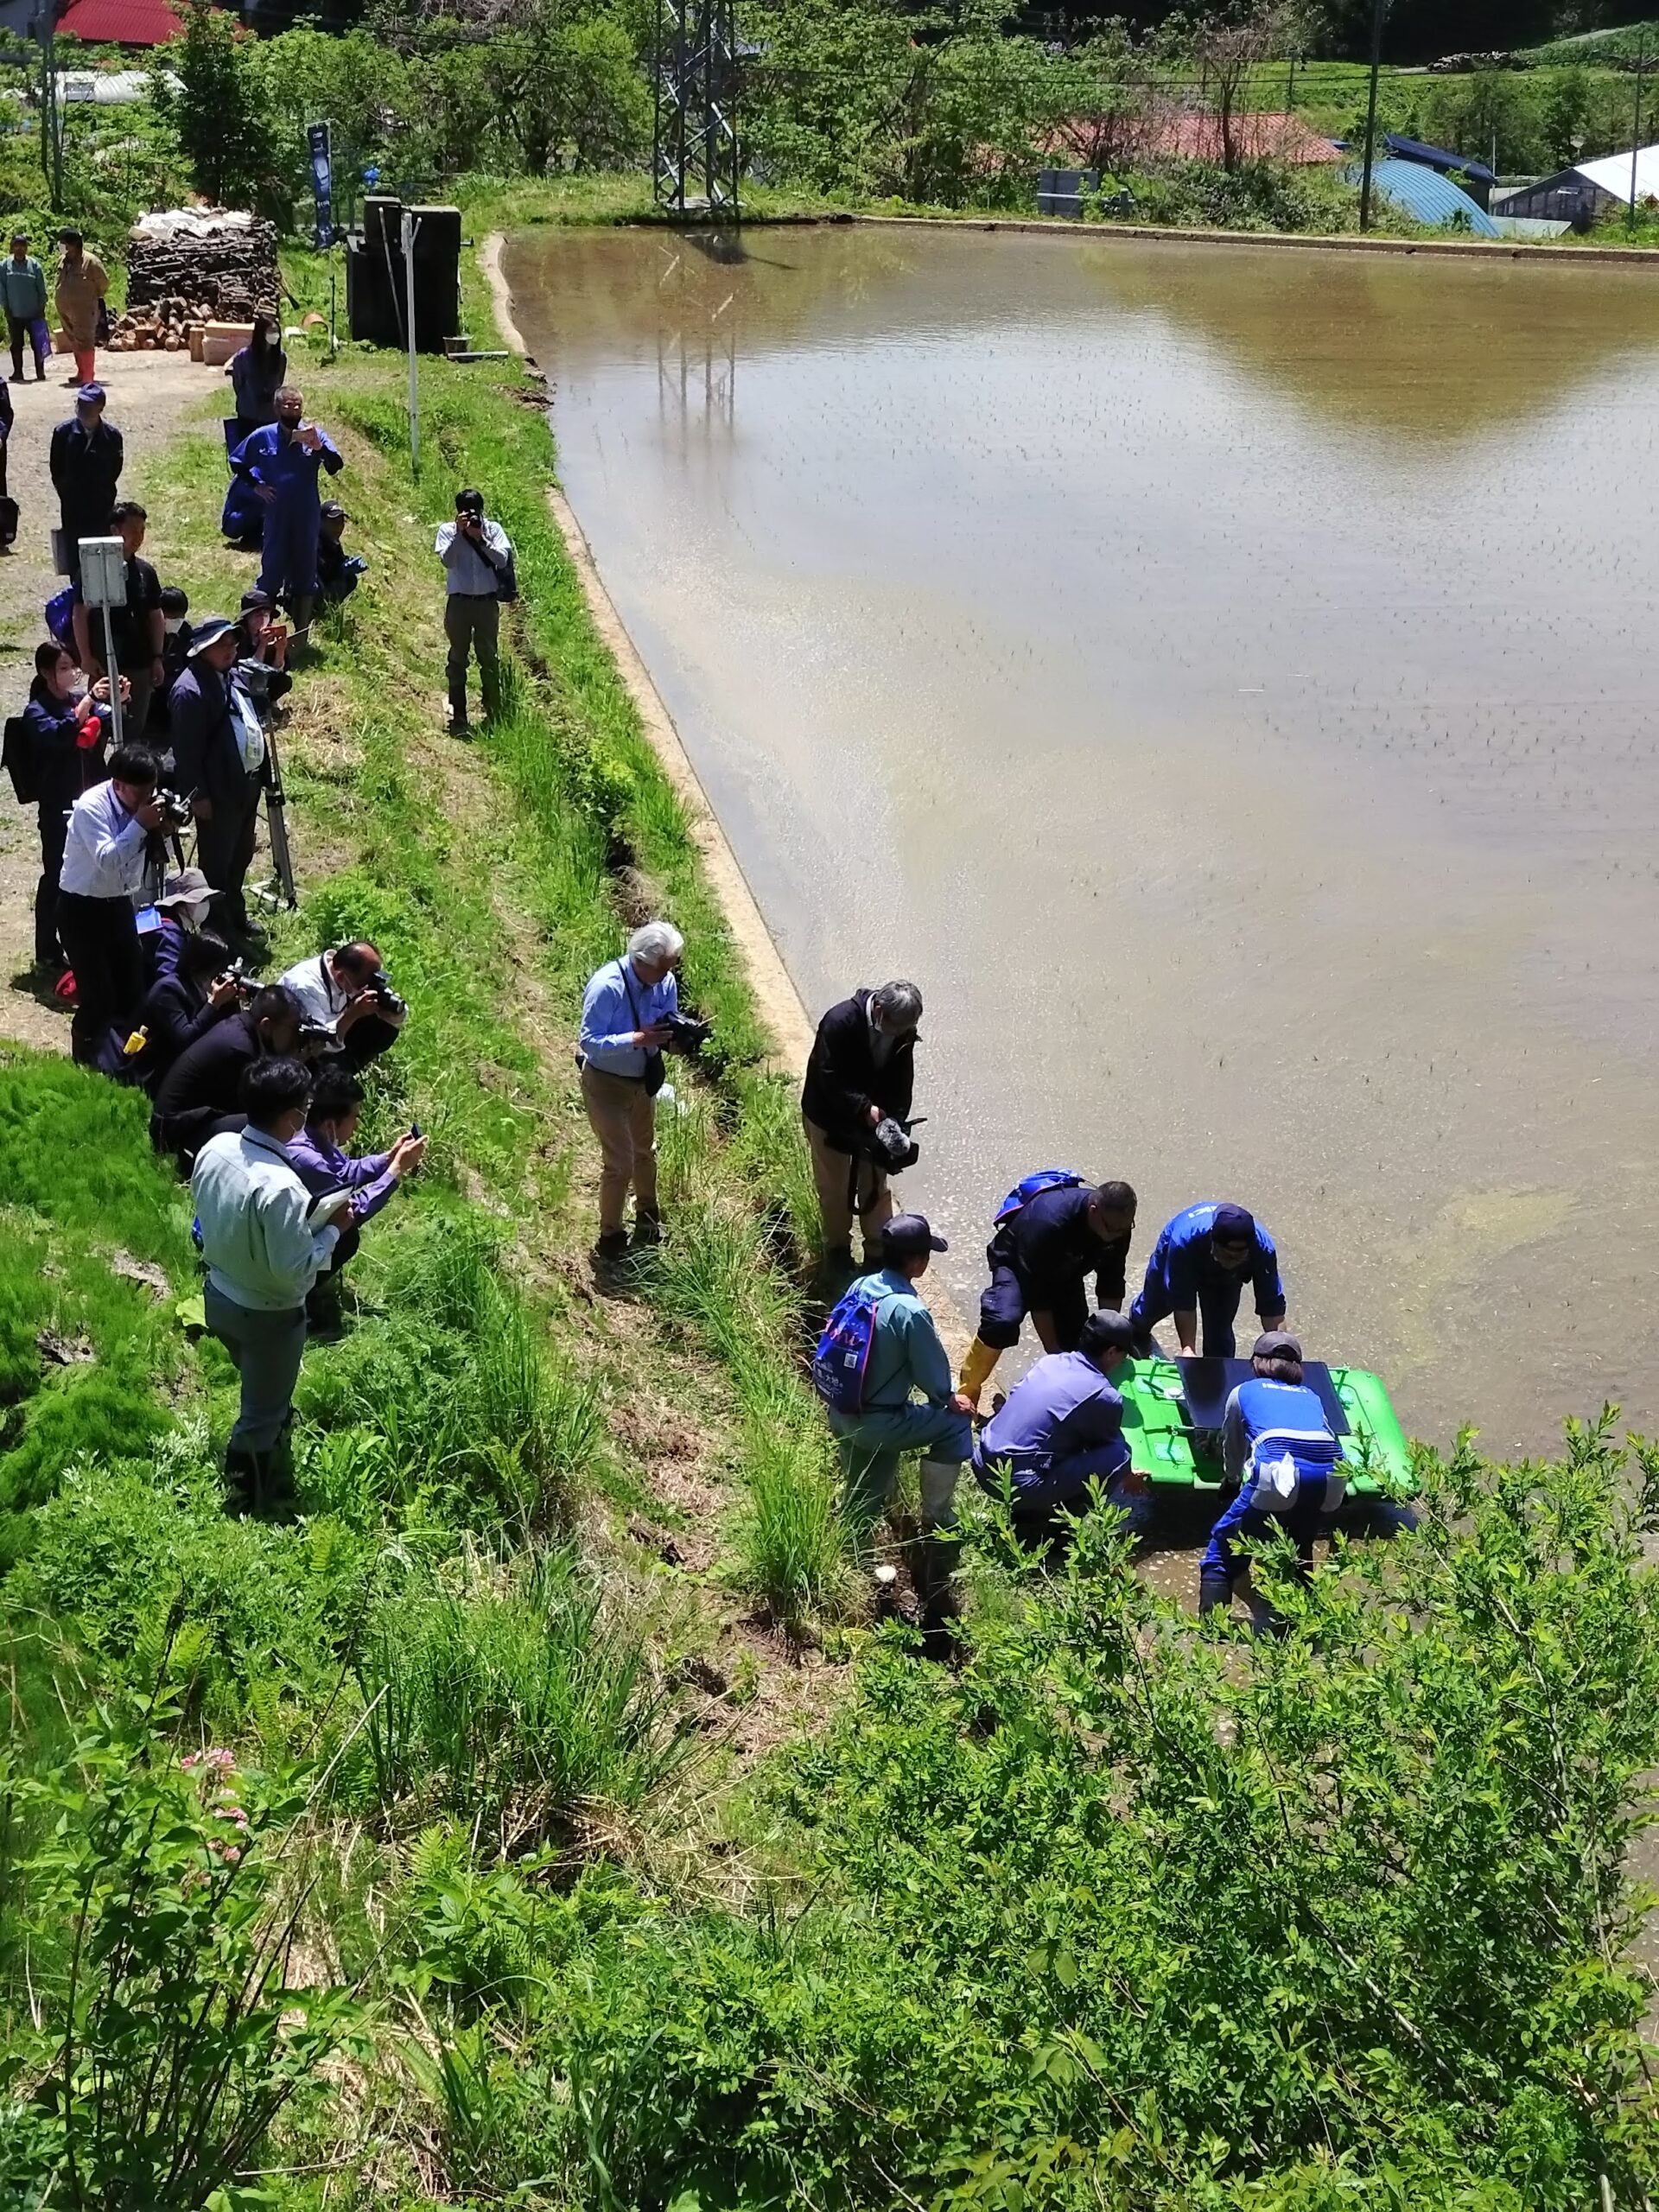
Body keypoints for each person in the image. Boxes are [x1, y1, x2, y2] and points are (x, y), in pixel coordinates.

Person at [192, 1056, 351, 1512]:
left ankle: (267, 1440)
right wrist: (334, 1229)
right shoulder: (282, 1187)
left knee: (259, 1387)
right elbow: (295, 1270)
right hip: (269, 1316)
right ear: (293, 1117)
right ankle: (248, 1497)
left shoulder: (216, 1147)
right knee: (260, 1416)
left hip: (218, 1296)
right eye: (305, 1109)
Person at [815, 1211, 972, 1550]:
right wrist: (948, 1398)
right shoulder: (910, 1311)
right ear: (916, 1262)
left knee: (864, 1491)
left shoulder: (861, 1285)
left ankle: (852, 1545)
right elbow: (932, 1376)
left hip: (841, 1408)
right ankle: (937, 1519)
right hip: (878, 1423)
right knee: (956, 1424)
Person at [1199, 1332, 1344, 1630]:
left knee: (1223, 1549)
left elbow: (1234, 1444)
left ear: (1257, 1362)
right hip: (1331, 1480)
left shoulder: (1244, 1392)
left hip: (1278, 1476)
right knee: (1299, 1547)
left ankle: (1214, 1635)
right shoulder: (1312, 1396)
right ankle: (1307, 1628)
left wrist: (1231, 1480)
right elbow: (1328, 1438)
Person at [957, 1174, 1139, 1409]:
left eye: (1125, 1229)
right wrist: (1054, 1354)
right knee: (1002, 1321)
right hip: (1017, 1262)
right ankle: (966, 1396)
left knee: (1083, 1346)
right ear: (1094, 1211)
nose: (1118, 1236)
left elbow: (1111, 1281)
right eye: (1113, 1230)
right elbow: (1039, 1299)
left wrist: (1110, 1334)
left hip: (1066, 1269)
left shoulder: (1117, 1226)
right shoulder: (1050, 1222)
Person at [972, 1308, 1147, 1529]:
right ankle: (1060, 1526)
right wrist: (1127, 1474)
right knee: (1119, 1454)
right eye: (1124, 1355)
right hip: (1013, 1484)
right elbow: (1107, 1448)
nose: (1123, 1361)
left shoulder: (1051, 1362)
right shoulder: (1103, 1394)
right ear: (1111, 1352)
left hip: (982, 1462)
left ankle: (1034, 1507)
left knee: (1063, 1435)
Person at [283, 1061, 426, 1329]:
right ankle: (298, 1296)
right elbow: (352, 1211)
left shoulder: (314, 1139)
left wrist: (388, 1159)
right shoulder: (309, 1160)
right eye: (355, 1118)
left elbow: (345, 1172)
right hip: (284, 1249)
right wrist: (396, 1171)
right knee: (346, 1236)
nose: (357, 1125)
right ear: (331, 1123)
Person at [801, 979, 923, 1273]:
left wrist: (895, 1119)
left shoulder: (903, 1030)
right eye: (896, 1028)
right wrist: (863, 1108)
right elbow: (828, 1076)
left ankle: (879, 1254)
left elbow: (902, 1080)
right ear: (879, 1010)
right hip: (829, 1116)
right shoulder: (839, 1021)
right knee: (835, 1188)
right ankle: (838, 1252)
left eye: (905, 1029)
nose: (900, 1034)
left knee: (876, 1187)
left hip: (874, 1120)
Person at [578, 919, 683, 1260]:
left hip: (643, 1084)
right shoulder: (607, 987)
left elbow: (666, 1025)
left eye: (671, 967)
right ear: (641, 960)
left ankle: (647, 1216)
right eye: (662, 968)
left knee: (645, 1152)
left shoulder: (665, 982)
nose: (667, 976)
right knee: (620, 1164)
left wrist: (679, 1039)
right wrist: (635, 1040)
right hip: (606, 1084)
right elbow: (589, 1042)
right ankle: (610, 1234)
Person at [55, 740, 162, 1063]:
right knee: (98, 997)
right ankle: (84, 1056)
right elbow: (108, 859)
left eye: (151, 790)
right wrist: (140, 824)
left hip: (118, 905)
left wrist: (160, 827)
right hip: (81, 909)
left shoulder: (142, 805)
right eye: (139, 792)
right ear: (118, 785)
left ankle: (121, 1059)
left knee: (133, 989)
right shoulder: (91, 808)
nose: (146, 799)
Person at [168, 614, 268, 948]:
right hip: (218, 790)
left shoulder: (229, 676)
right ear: (202, 649)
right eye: (222, 644)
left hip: (244, 783)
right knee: (217, 864)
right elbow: (186, 751)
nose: (231, 650)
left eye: (233, 643)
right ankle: (218, 932)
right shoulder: (189, 691)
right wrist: (198, 795)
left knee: (241, 854)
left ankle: (235, 914)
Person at [22, 640, 115, 975]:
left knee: (92, 873)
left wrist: (118, 699)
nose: (72, 673)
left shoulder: (77, 702)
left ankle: (87, 942)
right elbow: (60, 736)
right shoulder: (36, 712)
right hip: (58, 806)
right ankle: (47, 949)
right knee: (57, 877)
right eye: (63, 668)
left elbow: (109, 721)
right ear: (46, 673)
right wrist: (88, 701)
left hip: (91, 802)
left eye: (73, 666)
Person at [150, 982, 304, 1166]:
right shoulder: (240, 1050)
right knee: (266, 1122)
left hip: (183, 1119)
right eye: (293, 1030)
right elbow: (259, 1106)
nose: (296, 1038)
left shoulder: (241, 1029)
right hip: (172, 1132)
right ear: (266, 1025)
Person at [230, 388, 343, 627]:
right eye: (287, 405)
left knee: (306, 571)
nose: (292, 410)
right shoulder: (263, 436)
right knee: (271, 571)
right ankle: (262, 630)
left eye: (297, 405)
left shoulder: (314, 435)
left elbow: (335, 466)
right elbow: (237, 461)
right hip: (276, 513)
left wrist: (319, 448)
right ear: (277, 408)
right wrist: (257, 486)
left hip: (306, 513)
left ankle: (301, 632)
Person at [1130, 1201, 1286, 1361]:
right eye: (1228, 1256)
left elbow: (1272, 1308)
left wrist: (1282, 1351)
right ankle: (1135, 1329)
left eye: (1239, 1257)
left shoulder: (1263, 1250)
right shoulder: (1182, 1243)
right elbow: (1183, 1303)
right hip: (1182, 1250)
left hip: (1226, 1280)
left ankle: (1216, 1369)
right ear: (1213, 1242)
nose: (1232, 1263)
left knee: (1219, 1333)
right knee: (1155, 1305)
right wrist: (1188, 1349)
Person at [99, 925, 242, 1088]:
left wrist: (230, 1003)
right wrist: (214, 1003)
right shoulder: (168, 990)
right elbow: (185, 1039)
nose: (218, 975)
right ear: (199, 966)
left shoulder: (196, 988)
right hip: (144, 1068)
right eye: (216, 969)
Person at [71, 499, 163, 737]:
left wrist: (157, 657)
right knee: (97, 727)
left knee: (134, 729)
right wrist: (86, 656)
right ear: (115, 529)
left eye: (142, 530)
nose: (139, 536)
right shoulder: (93, 569)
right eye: (133, 530)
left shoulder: (145, 572)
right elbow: (80, 614)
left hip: (140, 663)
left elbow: (155, 615)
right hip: (104, 663)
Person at [434, 488, 512, 734]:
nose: (471, 517)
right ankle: (459, 714)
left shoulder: (492, 529)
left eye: (474, 511)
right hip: (459, 603)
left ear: (482, 510)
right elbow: (448, 561)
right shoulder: (447, 531)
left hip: (487, 604)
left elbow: (502, 559)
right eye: (465, 512)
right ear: (457, 512)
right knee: (458, 656)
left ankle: (493, 711)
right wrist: (460, 535)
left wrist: (481, 539)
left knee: (489, 656)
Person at [276, 939, 406, 1066]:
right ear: (341, 977)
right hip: (302, 1046)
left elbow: (400, 1009)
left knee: (384, 1027)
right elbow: (320, 1043)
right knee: (328, 1065)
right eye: (364, 984)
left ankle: (352, 1063)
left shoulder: (354, 973)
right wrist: (353, 1014)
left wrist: (391, 1010)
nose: (368, 987)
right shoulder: (305, 988)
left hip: (336, 1028)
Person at [49, 382, 122, 582]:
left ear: (100, 408)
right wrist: (66, 491)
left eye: (88, 405)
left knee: (100, 557)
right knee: (75, 555)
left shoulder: (112, 437)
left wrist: (103, 492)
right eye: (80, 403)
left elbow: (115, 469)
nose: (83, 408)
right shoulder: (63, 433)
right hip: (73, 507)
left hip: (100, 507)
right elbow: (56, 468)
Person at [141, 865, 215, 986]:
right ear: (181, 903)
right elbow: (169, 985)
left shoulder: (158, 920)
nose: (205, 905)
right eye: (200, 899)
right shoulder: (169, 935)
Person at [54, 229, 107, 390]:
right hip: (65, 310)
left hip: (84, 310)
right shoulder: (62, 260)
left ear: (74, 244)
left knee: (85, 341)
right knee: (74, 341)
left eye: (64, 243)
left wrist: (91, 297)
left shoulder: (90, 262)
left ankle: (88, 376)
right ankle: (81, 372)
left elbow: (103, 283)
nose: (62, 247)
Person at [225, 312, 286, 442]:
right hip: (248, 413)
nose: (275, 335)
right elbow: (238, 383)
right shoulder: (244, 356)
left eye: (276, 331)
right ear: (260, 333)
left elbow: (279, 382)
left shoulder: (280, 357)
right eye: (271, 331)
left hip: (270, 415)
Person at [236, 589, 293, 715]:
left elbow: (279, 671)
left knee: (284, 681)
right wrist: (262, 646)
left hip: (265, 681)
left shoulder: (273, 634)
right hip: (242, 682)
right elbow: (247, 670)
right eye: (257, 615)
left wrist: (280, 650)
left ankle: (269, 702)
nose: (262, 619)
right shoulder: (238, 637)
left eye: (266, 615)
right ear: (247, 618)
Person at [3, 232, 50, 382]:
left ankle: (40, 373)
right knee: (16, 345)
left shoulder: (35, 266)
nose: (19, 249)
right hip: (14, 313)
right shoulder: (4, 266)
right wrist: (6, 308)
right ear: (12, 247)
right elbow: (2, 290)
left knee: (38, 344)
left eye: (22, 246)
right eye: (16, 246)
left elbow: (41, 289)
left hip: (34, 313)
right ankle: (18, 373)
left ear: (26, 248)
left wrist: (41, 307)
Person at [315, 500, 365, 603]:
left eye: (341, 522)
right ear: (321, 522)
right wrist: (340, 570)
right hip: (311, 590)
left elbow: (338, 559)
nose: (339, 527)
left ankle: (330, 608)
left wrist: (348, 562)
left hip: (325, 583)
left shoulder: (333, 542)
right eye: (334, 523)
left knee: (351, 579)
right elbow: (320, 571)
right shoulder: (314, 542)